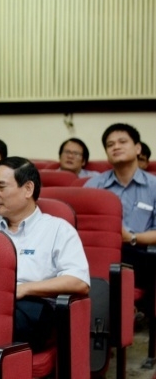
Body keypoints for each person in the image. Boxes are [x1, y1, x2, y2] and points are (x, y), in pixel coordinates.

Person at [0, 157, 90, 351]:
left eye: (1, 187)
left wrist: (24, 289)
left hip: (33, 307)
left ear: (28, 189)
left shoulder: (58, 229)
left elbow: (79, 281)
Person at [84, 123, 156, 309]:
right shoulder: (93, 186)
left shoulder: (153, 186)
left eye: (122, 142)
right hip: (99, 252)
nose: (116, 147)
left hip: (140, 253)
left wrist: (131, 237)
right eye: (110, 144)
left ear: (137, 148)